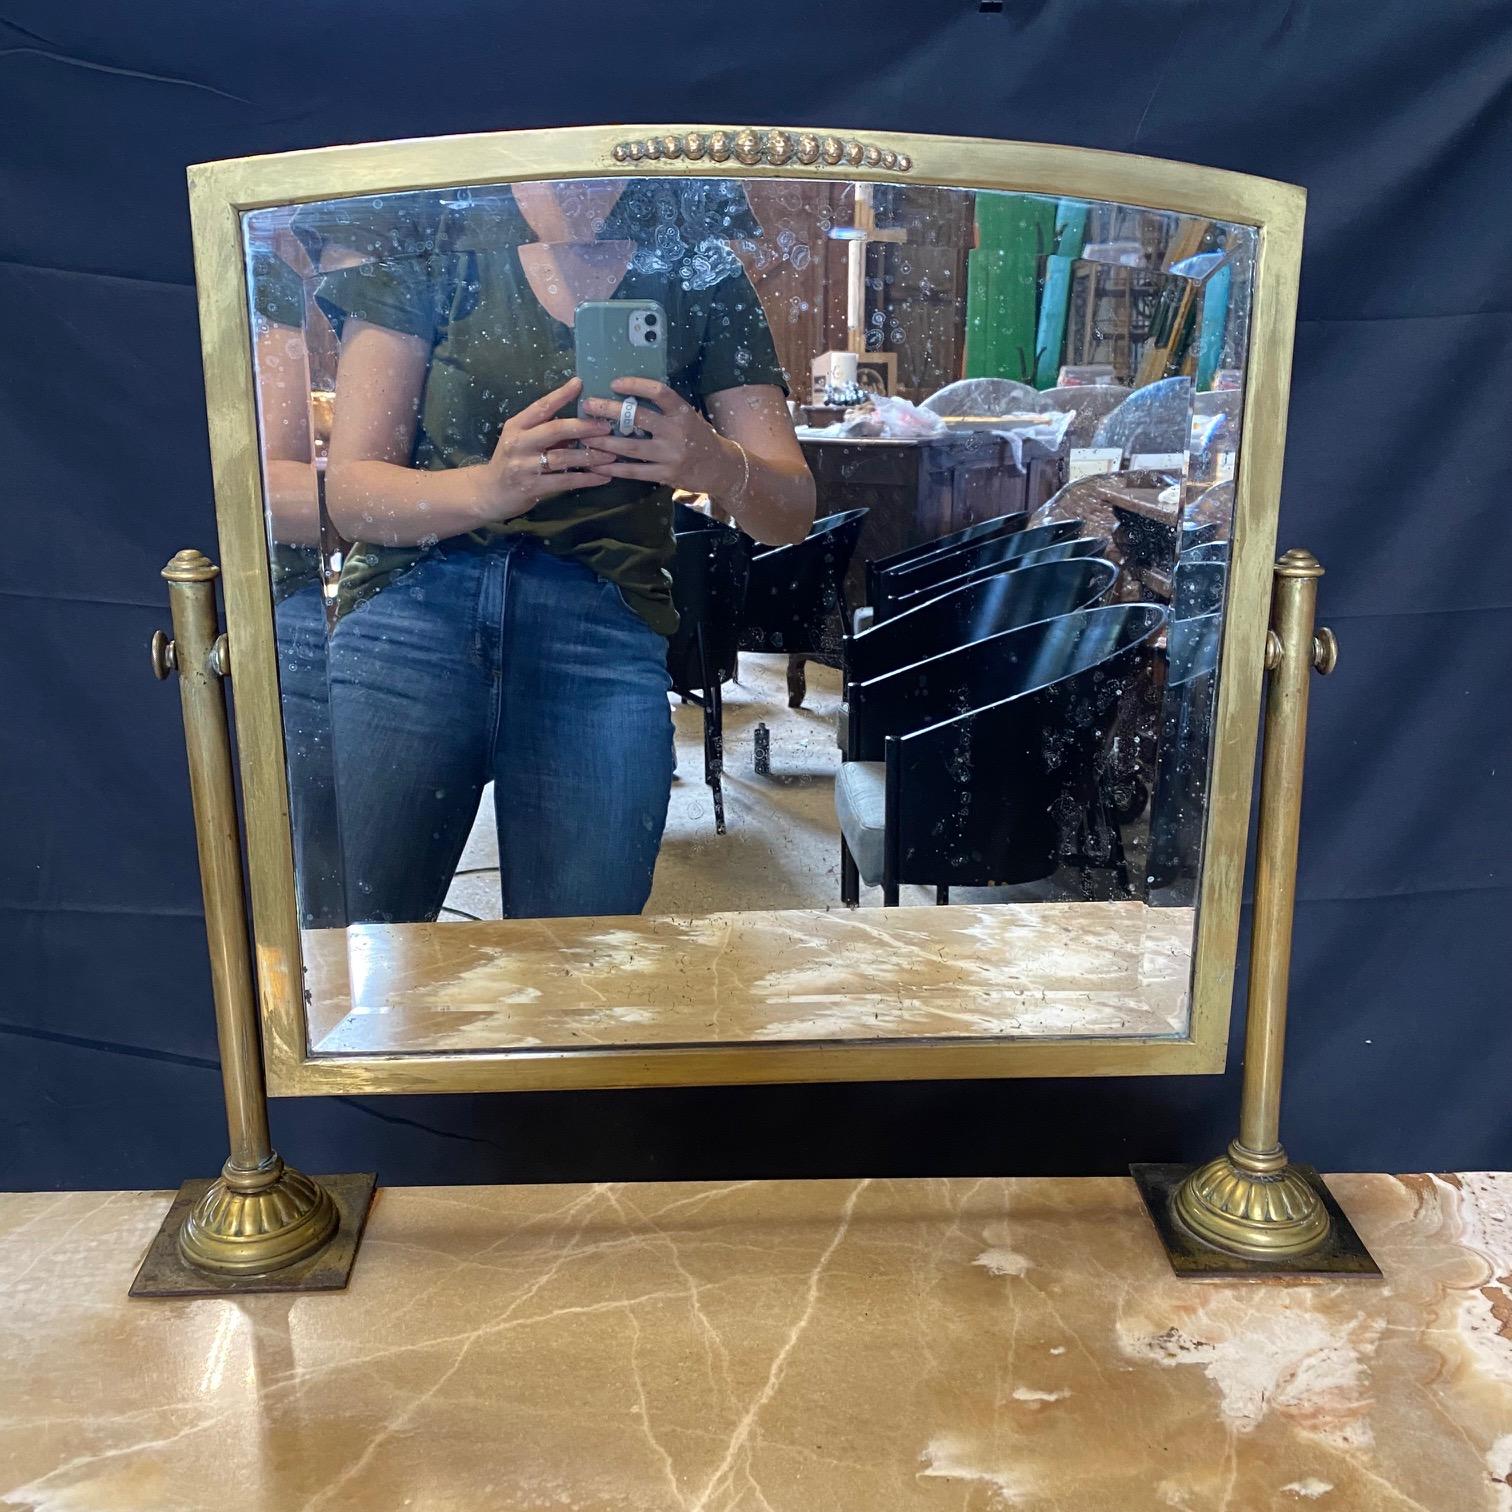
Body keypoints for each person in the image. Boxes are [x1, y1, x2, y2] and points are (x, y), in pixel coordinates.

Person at [300, 179, 815, 923]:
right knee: (356, 953)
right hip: (413, 611)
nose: (574, 181)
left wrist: (710, 463)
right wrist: (490, 488)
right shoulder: (439, 241)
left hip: (598, 627)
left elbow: (791, 515)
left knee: (583, 973)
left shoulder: (699, 266)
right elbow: (350, 497)